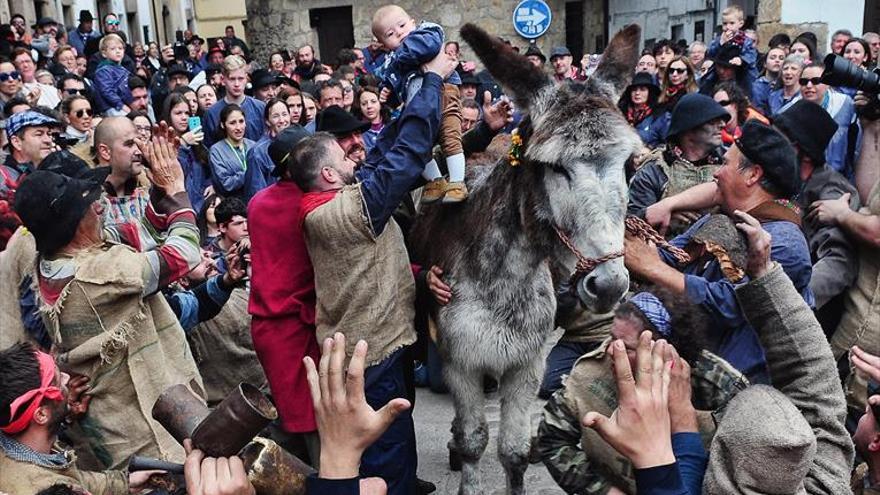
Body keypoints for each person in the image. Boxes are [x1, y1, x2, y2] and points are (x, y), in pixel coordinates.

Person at [583, 212, 852, 494]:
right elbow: (817, 384)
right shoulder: (827, 485)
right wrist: (764, 277)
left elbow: (816, 386)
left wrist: (652, 456)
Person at [287, 48, 451, 494]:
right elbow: (408, 154)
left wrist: (413, 88)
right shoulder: (340, 212)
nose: (353, 158)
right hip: (369, 358)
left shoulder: (337, 196)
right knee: (384, 450)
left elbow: (383, 154)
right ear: (328, 173)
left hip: (380, 345)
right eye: (343, 156)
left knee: (397, 433)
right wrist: (433, 81)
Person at [12, 125, 204, 469]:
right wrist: (176, 189)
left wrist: (158, 192)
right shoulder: (98, 272)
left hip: (109, 421)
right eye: (90, 205)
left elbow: (138, 234)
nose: (101, 208)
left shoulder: (61, 256)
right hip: (143, 429)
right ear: (72, 223)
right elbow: (184, 256)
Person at [626, 121, 813, 384]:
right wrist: (630, 244)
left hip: (737, 391)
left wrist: (652, 267)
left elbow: (730, 303)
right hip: (689, 367)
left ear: (752, 175)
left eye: (725, 164)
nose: (716, 173)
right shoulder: (720, 219)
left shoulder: (785, 244)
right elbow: (670, 255)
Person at [537, 288, 747, 494]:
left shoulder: (720, 388)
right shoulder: (592, 372)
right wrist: (604, 490)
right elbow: (551, 439)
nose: (612, 351)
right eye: (611, 339)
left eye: (626, 348)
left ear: (662, 350)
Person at [247, 124, 321, 466]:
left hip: (268, 328)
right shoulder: (313, 203)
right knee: (313, 419)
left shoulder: (258, 203)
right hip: (296, 324)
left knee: (291, 416)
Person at [0, 342, 158, 493]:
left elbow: (74, 479)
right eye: (57, 381)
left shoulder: (21, 453)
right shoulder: (45, 489)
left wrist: (125, 483)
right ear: (41, 414)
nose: (66, 379)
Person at [809, 95, 880, 414]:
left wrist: (841, 215)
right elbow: (869, 192)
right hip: (858, 313)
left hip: (873, 332)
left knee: (861, 412)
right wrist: (869, 125)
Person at [371, 4, 467, 203]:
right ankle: (436, 181)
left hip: (443, 92)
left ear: (413, 23)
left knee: (450, 136)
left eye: (402, 25)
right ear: (384, 44)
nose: (399, 33)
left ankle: (458, 182)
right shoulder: (392, 61)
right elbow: (397, 89)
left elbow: (426, 48)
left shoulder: (426, 32)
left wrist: (397, 59)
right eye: (390, 33)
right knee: (417, 146)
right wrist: (388, 93)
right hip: (416, 105)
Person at [628, 93, 728, 234]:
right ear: (689, 126)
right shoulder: (655, 170)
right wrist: (662, 217)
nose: (722, 125)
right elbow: (630, 226)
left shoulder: (727, 165)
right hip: (661, 252)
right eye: (713, 121)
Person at [798, 62, 858, 179]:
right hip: (805, 180)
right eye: (804, 82)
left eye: (816, 81)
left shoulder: (846, 105)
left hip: (840, 178)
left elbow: (856, 148)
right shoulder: (790, 110)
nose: (809, 86)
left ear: (828, 83)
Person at [203, 55, 265, 148]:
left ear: (246, 79)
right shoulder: (212, 113)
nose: (237, 84)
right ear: (223, 80)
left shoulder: (260, 108)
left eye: (240, 79)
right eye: (232, 79)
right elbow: (209, 147)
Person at [164, 92, 211, 213]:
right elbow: (176, 174)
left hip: (201, 209)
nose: (184, 117)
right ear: (168, 115)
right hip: (179, 209)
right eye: (178, 113)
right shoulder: (163, 145)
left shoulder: (196, 142)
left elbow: (208, 169)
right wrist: (183, 144)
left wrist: (212, 185)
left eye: (187, 113)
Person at [1, 110, 62, 198]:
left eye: (49, 134)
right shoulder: (3, 180)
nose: (48, 140)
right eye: (39, 134)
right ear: (17, 142)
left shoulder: (55, 169)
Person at [242, 97, 290, 201]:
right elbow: (256, 194)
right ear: (267, 121)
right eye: (276, 116)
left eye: (285, 114)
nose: (282, 120)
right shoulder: (257, 152)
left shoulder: (298, 142)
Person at [646, 55, 698, 146]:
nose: (674, 74)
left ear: (687, 75)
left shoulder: (693, 98)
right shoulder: (662, 96)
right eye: (671, 70)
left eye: (680, 71)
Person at [209, 104, 253, 198]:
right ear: (223, 125)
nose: (238, 127)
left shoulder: (253, 146)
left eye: (241, 121)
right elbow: (226, 184)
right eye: (232, 123)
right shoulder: (216, 151)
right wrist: (250, 172)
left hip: (255, 200)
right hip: (233, 204)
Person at [712, 81, 768, 146]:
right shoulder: (714, 135)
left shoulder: (757, 127)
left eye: (723, 103)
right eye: (716, 105)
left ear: (736, 105)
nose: (719, 108)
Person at [93, 34, 132, 116]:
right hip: (111, 107)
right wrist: (121, 105)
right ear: (104, 53)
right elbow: (107, 91)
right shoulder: (103, 70)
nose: (118, 51)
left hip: (125, 103)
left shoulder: (123, 69)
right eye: (113, 49)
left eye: (120, 48)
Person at [207, 196, 248, 273]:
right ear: (222, 227)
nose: (246, 228)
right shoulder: (208, 256)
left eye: (247, 222)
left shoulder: (254, 246)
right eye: (238, 223)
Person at [618, 71, 661, 144]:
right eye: (634, 89)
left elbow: (667, 144)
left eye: (642, 89)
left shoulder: (659, 116)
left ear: (650, 93)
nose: (637, 93)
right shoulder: (620, 113)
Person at [751, 46, 785, 115]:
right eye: (773, 58)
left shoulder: (787, 85)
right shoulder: (757, 86)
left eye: (781, 58)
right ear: (765, 64)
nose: (777, 60)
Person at [357, 86, 389, 154]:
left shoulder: (391, 127)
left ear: (380, 104)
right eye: (364, 104)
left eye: (373, 102)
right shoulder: (357, 132)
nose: (369, 106)